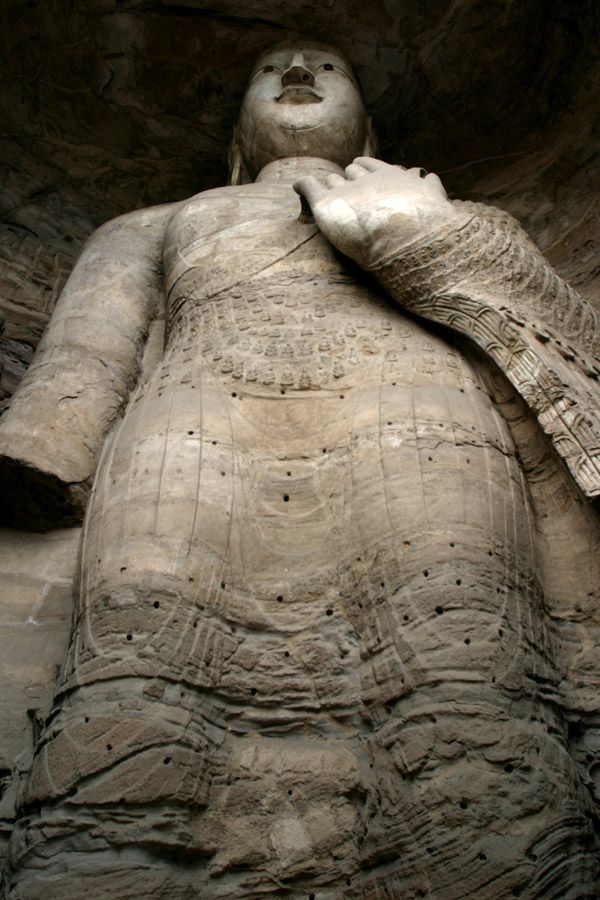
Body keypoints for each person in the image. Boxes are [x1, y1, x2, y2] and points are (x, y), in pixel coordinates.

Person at [2, 41, 600, 900]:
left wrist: (421, 233)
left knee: (457, 672)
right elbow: (83, 363)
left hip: (419, 419)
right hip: (193, 426)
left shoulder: (442, 206)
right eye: (273, 67)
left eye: (327, 66)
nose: (298, 76)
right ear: (238, 130)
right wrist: (44, 452)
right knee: (140, 660)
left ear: (370, 118)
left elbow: (551, 335)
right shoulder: (150, 222)